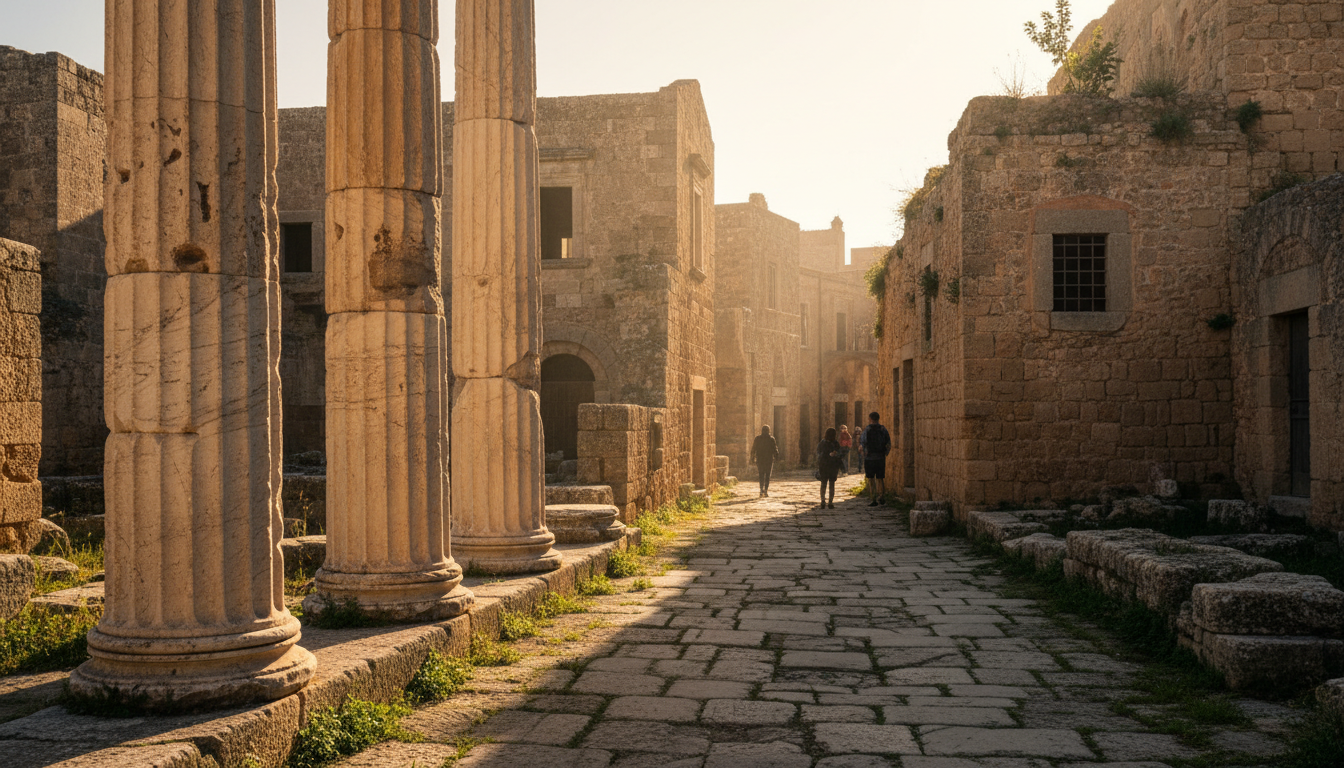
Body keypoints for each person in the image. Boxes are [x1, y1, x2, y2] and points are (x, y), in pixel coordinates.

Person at [858, 411, 892, 506]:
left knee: (871, 478)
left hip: (869, 458)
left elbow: (862, 443)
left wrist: (864, 453)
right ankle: (881, 496)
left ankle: (873, 498)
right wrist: (885, 453)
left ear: (870, 419)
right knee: (880, 478)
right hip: (880, 457)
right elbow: (888, 443)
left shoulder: (867, 430)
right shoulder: (883, 429)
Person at [815, 428, 842, 509]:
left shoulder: (822, 443)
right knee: (831, 484)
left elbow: (818, 453)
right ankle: (830, 502)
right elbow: (839, 453)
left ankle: (823, 501)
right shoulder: (835, 443)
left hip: (823, 465)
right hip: (833, 466)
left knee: (823, 484)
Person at [750, 426, 779, 498]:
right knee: (767, 476)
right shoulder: (771, 439)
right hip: (769, 460)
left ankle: (761, 490)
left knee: (761, 475)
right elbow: (775, 449)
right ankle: (765, 490)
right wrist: (777, 457)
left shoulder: (757, 439)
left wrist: (752, 458)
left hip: (760, 460)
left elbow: (753, 449)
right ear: (769, 431)